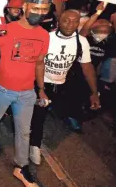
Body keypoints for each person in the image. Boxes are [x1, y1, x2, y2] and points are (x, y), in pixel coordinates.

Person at [0, 0, 52, 187]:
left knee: (24, 131)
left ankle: (21, 167)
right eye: (36, 7)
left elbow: (39, 63)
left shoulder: (45, 35)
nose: (40, 12)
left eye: (45, 9)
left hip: (27, 93)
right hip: (2, 89)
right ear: (25, 7)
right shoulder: (6, 30)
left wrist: (41, 88)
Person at [29, 9, 101, 165]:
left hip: (61, 85)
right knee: (40, 114)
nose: (70, 25)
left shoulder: (81, 42)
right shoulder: (47, 38)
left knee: (47, 111)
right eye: (66, 20)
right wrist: (40, 89)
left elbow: (87, 68)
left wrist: (94, 92)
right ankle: (34, 145)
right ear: (59, 21)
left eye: (75, 21)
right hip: (42, 84)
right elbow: (36, 63)